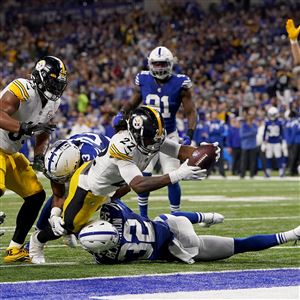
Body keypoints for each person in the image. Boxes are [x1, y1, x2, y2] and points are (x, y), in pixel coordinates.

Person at [29, 105, 220, 264]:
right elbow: (139, 185)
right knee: (67, 225)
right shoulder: (122, 145)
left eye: (157, 136)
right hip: (90, 188)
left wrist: (205, 152)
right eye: (149, 138)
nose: (155, 141)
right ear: (136, 134)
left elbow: (180, 151)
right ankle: (37, 240)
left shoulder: (150, 135)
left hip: (117, 184)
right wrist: (178, 174)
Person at [79, 199, 300, 265]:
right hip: (174, 232)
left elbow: (100, 254)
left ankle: (292, 235)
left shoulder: (106, 257)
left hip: (176, 248)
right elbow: (110, 201)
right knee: (168, 217)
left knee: (238, 245)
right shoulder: (116, 213)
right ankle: (207, 216)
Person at [114, 46, 197, 217]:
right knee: (143, 175)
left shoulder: (180, 83)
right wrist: (121, 113)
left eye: (163, 64)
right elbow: (132, 103)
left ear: (170, 64)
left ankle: (176, 216)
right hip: (145, 136)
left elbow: (190, 111)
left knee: (173, 176)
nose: (159, 68)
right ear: (150, 64)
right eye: (156, 64)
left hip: (169, 134)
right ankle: (143, 216)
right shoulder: (143, 79)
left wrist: (189, 134)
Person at [0, 56, 67, 263]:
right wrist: (22, 127)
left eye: (59, 84)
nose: (55, 87)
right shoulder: (22, 87)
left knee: (36, 195)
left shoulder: (53, 103)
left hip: (11, 152)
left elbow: (44, 132)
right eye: (52, 81)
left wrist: (39, 156)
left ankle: (15, 249)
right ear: (40, 76)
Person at [35, 132, 110, 247]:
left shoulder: (94, 161)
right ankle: (38, 231)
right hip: (78, 152)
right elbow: (59, 195)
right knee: (63, 194)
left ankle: (71, 229)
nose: (61, 181)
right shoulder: (59, 157)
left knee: (85, 202)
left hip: (102, 164)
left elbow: (118, 187)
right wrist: (54, 215)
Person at [262, 106, 285, 177]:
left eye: (273, 114)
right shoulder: (267, 122)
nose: (272, 116)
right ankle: (268, 171)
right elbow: (265, 132)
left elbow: (282, 132)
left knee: (278, 156)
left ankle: (281, 171)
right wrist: (264, 141)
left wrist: (283, 141)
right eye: (271, 114)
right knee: (268, 156)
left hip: (277, 141)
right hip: (269, 141)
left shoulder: (279, 122)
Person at [239, 108, 258, 178]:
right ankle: (242, 174)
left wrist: (251, 127)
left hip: (253, 145)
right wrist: (250, 134)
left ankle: (252, 175)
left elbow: (255, 132)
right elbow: (241, 135)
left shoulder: (254, 125)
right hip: (245, 146)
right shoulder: (243, 125)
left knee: (252, 161)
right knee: (244, 162)